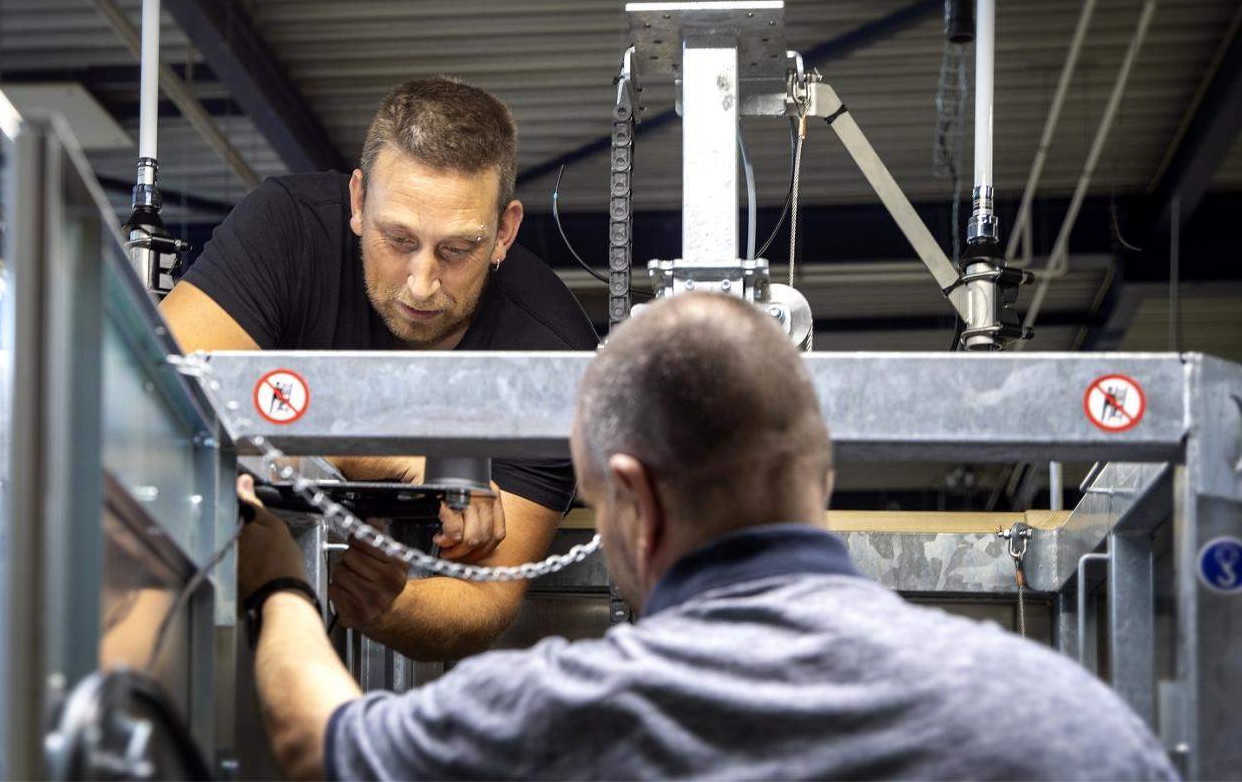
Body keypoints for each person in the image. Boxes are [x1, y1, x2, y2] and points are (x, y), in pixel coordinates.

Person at [235, 293, 1177, 781]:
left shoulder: (568, 711)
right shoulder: (1069, 719)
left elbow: (317, 740)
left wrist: (276, 580)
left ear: (635, 501)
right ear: (821, 475)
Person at [159, 76, 596, 660]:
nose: (422, 283)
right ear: (359, 202)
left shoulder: (548, 355)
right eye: (398, 239)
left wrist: (392, 604)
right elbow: (164, 400)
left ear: (504, 232)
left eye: (457, 250)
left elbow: (486, 600)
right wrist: (396, 452)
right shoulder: (288, 229)